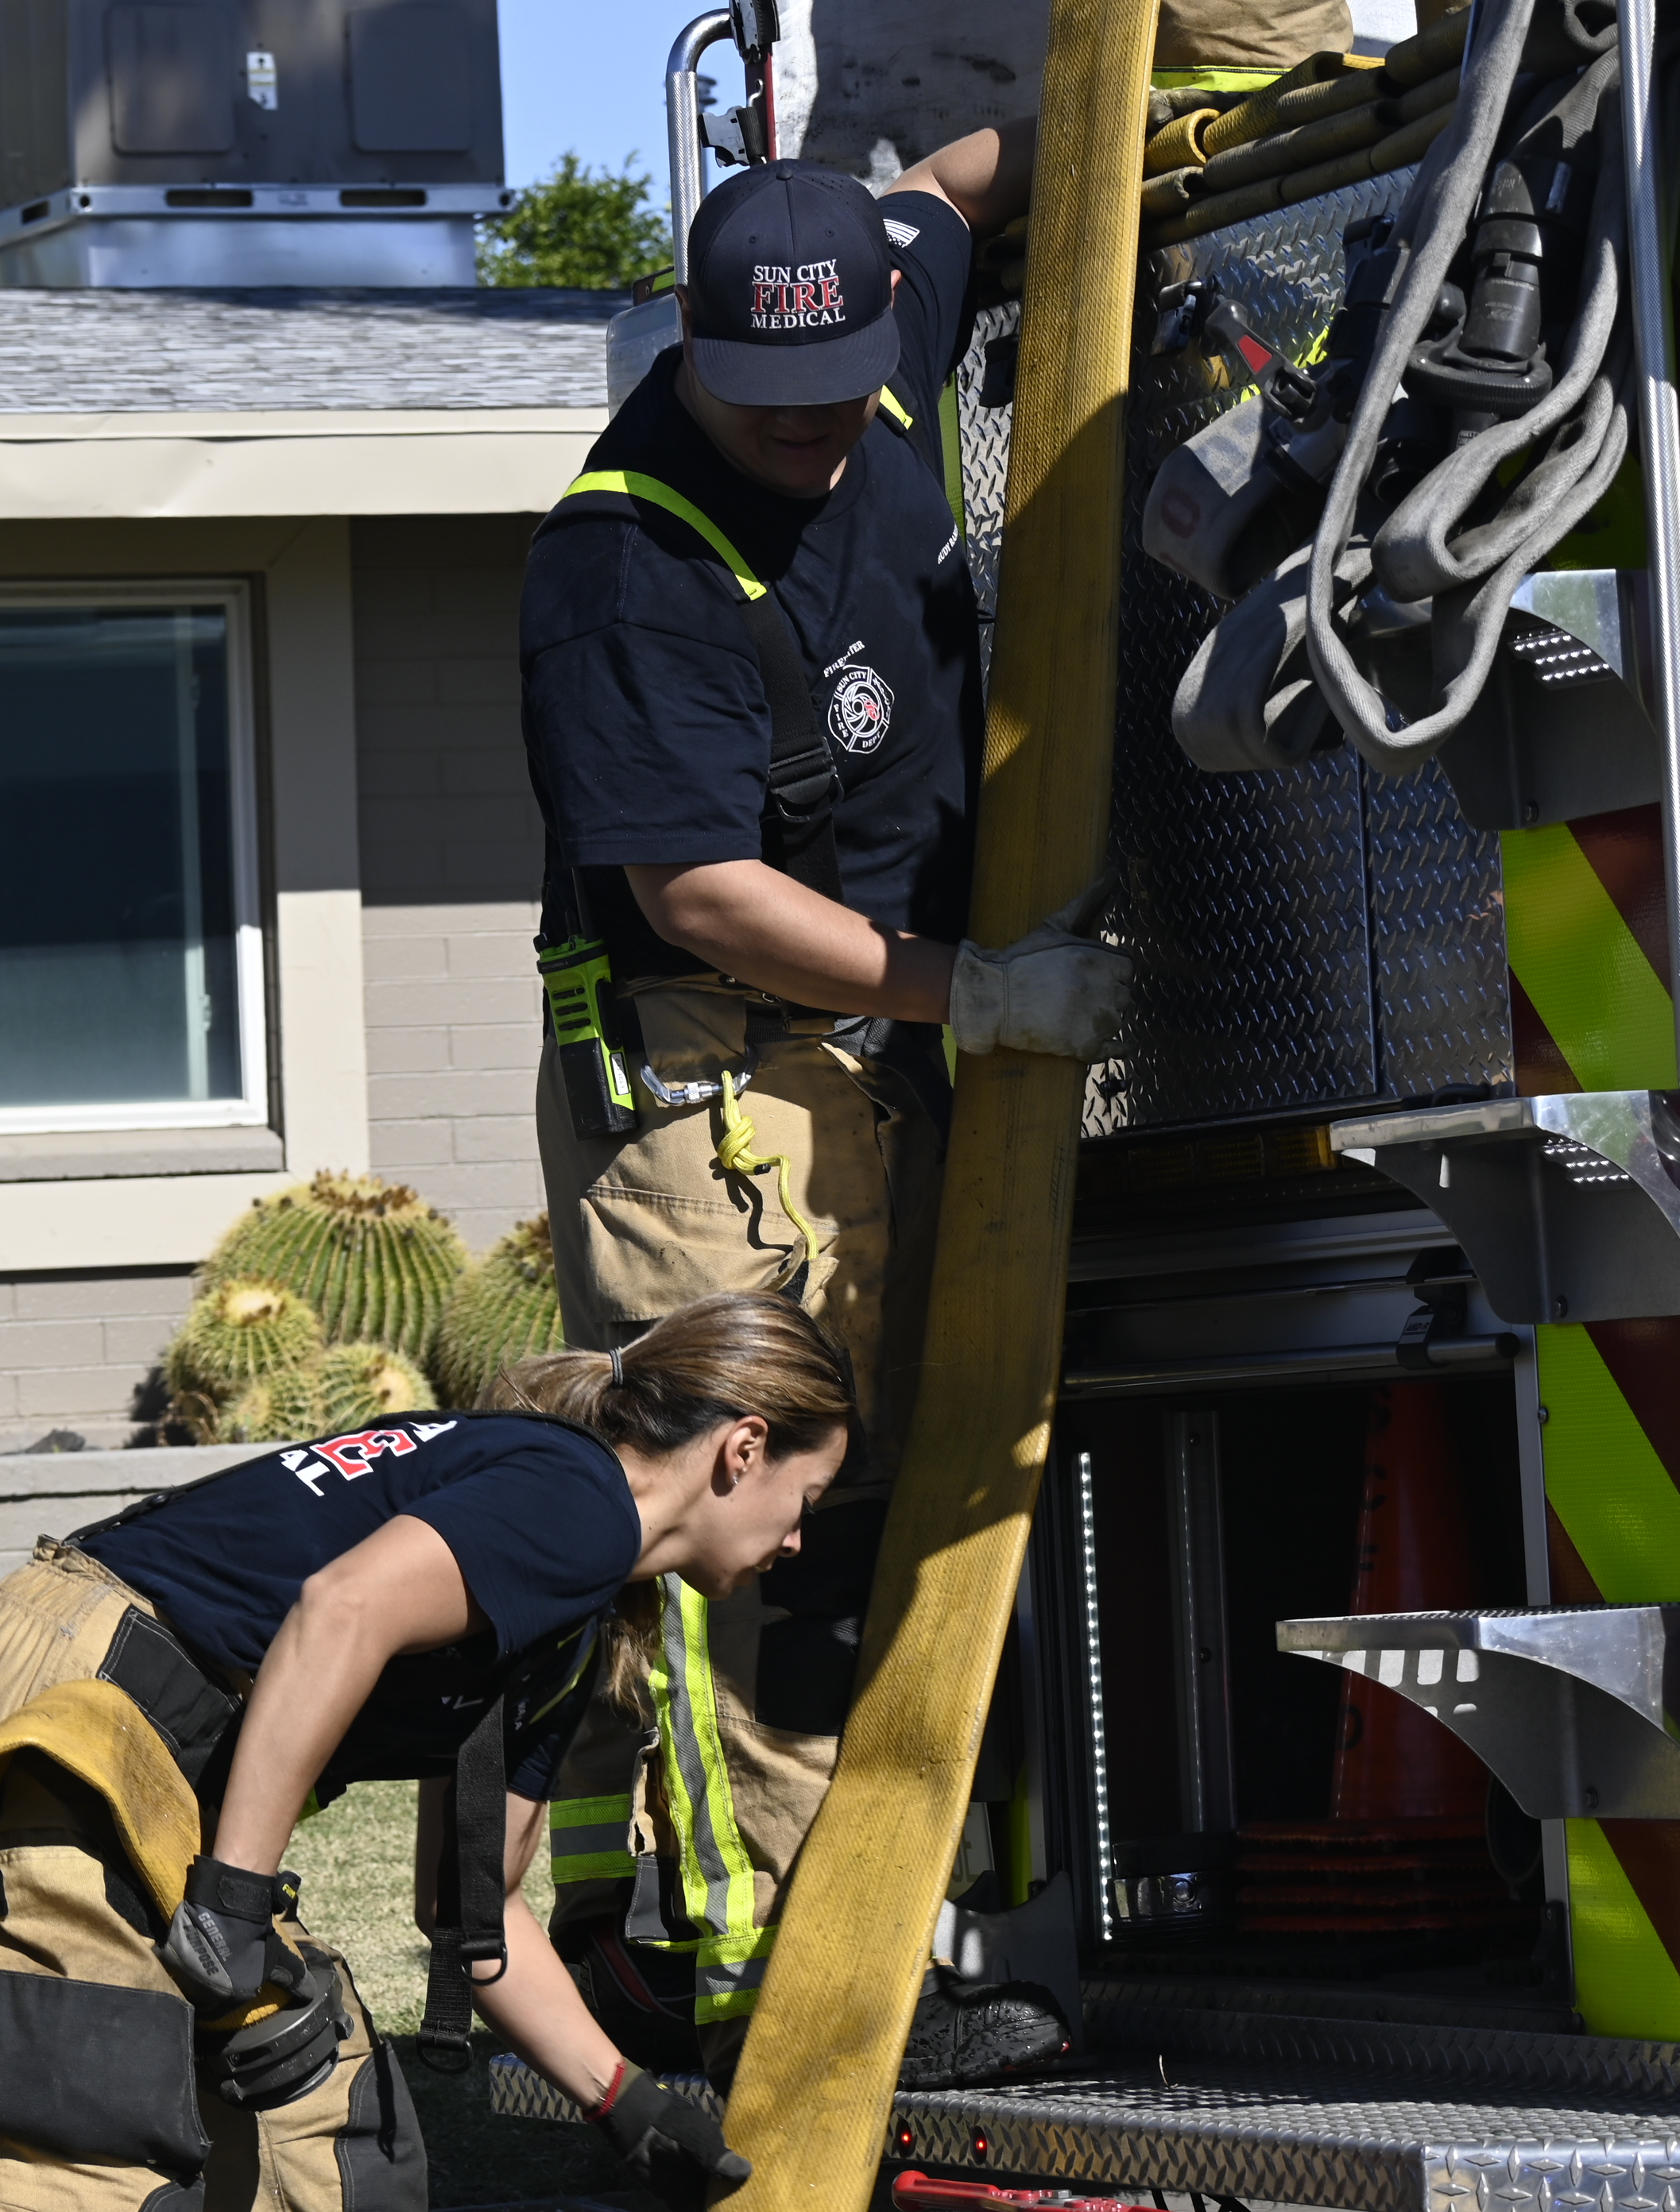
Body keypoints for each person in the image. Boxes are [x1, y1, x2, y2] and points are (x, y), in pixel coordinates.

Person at [517, 149, 1134, 2076]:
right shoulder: (625, 566)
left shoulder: (879, 324)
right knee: (754, 1534)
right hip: (708, 1095)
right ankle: (778, 2006)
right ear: (692, 347)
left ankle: (611, 1947)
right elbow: (698, 889)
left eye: (842, 390)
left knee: (822, 1521)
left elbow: (956, 181)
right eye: (769, 401)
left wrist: (1122, 117)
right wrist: (981, 991)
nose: (814, 432)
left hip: (868, 1069)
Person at [0, 1290, 856, 2212]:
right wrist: (233, 1897)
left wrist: (625, 2101)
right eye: (808, 1501)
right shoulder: (579, 1498)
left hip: (146, 1737)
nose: (800, 1543)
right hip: (72, 1690)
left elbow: (474, 1915)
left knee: (317, 2096)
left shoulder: (568, 1626)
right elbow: (342, 1609)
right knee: (68, 2103)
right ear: (743, 1449)